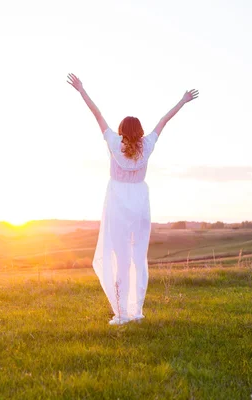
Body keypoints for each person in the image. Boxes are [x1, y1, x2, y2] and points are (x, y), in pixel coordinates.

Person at [67, 73, 198, 325]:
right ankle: (135, 310)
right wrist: (182, 101)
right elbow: (163, 120)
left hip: (117, 202)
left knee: (121, 258)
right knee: (139, 257)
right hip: (139, 202)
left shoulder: (114, 143)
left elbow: (97, 114)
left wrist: (82, 90)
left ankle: (122, 313)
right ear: (139, 132)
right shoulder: (147, 145)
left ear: (122, 131)